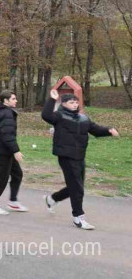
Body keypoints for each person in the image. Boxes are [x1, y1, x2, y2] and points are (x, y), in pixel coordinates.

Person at [42, 90, 119, 230]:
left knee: (76, 186)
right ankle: (78, 217)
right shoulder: (59, 116)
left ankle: (52, 199)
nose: (75, 104)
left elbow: (96, 130)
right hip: (66, 156)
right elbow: (46, 115)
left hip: (79, 156)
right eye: (71, 102)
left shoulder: (83, 118)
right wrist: (52, 99)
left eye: (76, 102)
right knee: (77, 187)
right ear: (64, 104)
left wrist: (108, 131)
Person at [0, 90, 28, 215]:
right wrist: (15, 151)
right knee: (2, 177)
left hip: (1, 148)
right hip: (3, 150)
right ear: (6, 100)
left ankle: (13, 201)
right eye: (13, 99)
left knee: (17, 174)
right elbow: (7, 135)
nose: (16, 101)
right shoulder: (7, 113)